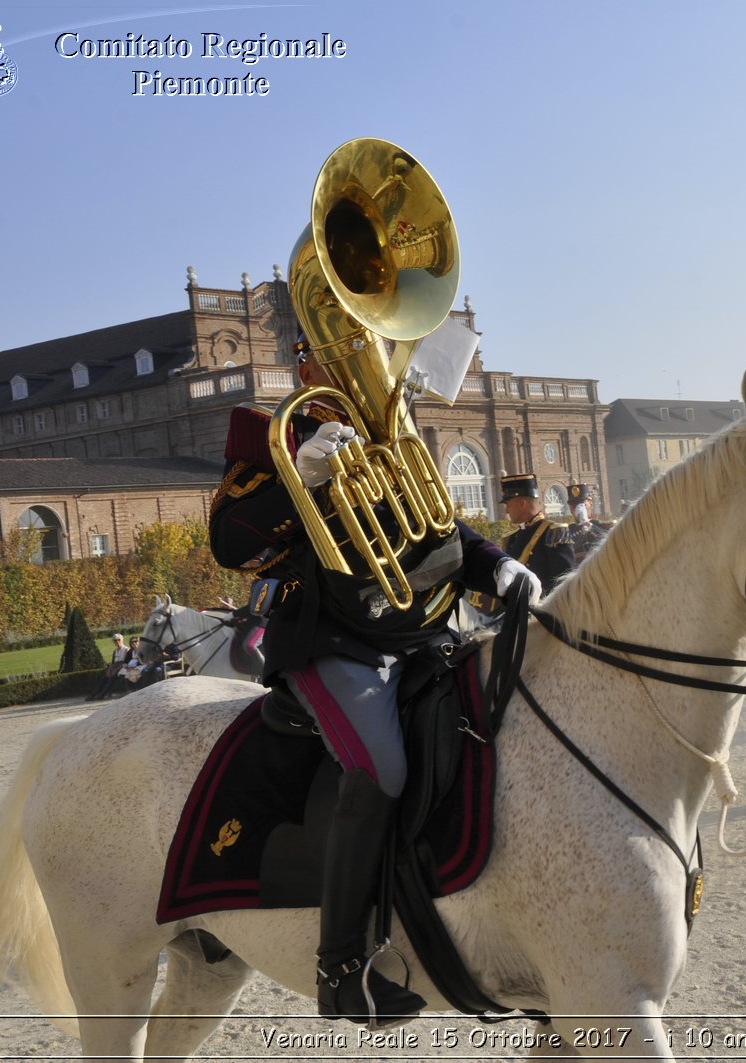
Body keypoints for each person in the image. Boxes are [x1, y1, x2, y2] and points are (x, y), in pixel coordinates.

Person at [208, 338, 538, 1028]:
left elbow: (437, 529)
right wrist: (297, 476)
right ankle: (340, 967)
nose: (377, 361)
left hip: (431, 631)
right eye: (350, 350)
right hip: (338, 641)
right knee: (382, 768)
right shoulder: (278, 437)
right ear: (306, 371)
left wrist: (494, 565)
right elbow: (231, 543)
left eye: (381, 345)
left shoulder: (396, 428)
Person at [499, 473, 577, 592]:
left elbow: (564, 582)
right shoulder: (511, 538)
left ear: (522, 504)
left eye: (508, 505)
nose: (506, 510)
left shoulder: (553, 533)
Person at [86, 633, 130, 701]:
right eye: (115, 640)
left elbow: (125, 662)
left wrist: (115, 670)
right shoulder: (115, 651)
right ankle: (93, 694)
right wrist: (110, 670)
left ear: (122, 640)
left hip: (122, 668)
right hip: (115, 667)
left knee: (111, 678)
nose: (117, 642)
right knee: (104, 678)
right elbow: (112, 663)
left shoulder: (126, 650)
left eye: (119, 640)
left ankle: (102, 694)